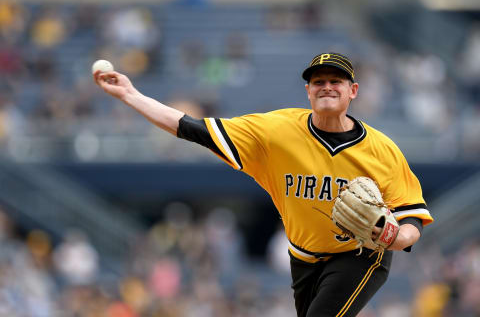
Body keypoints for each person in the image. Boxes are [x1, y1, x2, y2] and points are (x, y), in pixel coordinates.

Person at [94, 52, 434, 317]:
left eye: (336, 81)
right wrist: (129, 94)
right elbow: (191, 128)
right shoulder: (276, 131)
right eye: (318, 82)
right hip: (303, 256)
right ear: (308, 91)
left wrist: (396, 236)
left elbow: (412, 217)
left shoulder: (381, 149)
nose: (326, 86)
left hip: (359, 254)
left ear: (353, 91)